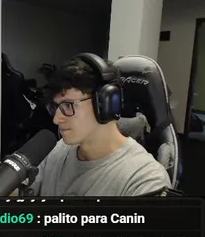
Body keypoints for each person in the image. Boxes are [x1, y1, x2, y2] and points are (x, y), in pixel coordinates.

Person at [29, 54, 171, 197]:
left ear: (105, 104)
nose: (56, 119)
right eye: (56, 107)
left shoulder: (145, 179)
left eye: (68, 105)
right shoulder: (58, 150)